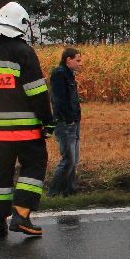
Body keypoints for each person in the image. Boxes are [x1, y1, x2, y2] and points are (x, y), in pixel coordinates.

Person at [0, 2, 54, 237]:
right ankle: (22, 214)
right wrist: (48, 121)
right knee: (34, 165)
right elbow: (37, 91)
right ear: (22, 26)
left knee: (1, 173)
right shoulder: (23, 52)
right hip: (25, 129)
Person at [47, 47, 83, 196]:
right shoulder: (59, 74)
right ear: (68, 60)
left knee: (74, 159)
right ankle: (53, 192)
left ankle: (69, 190)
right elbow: (59, 100)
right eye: (78, 60)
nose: (80, 64)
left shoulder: (68, 74)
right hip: (65, 123)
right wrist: (69, 119)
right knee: (68, 159)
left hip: (73, 120)